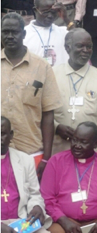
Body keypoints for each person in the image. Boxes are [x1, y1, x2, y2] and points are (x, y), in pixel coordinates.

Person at [41, 122, 97, 233]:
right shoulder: (56, 162)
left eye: (83, 142)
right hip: (65, 221)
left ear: (95, 144)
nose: (77, 145)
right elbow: (47, 198)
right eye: (74, 140)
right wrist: (63, 220)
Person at [1, 13, 61, 176]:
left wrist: (46, 158)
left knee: (32, 200)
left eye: (15, 32)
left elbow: (48, 115)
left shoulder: (42, 67)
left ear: (24, 34)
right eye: (5, 32)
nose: (10, 36)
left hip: (31, 152)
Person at [52, 29, 97, 155]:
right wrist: (56, 127)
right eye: (80, 46)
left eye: (89, 47)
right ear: (67, 48)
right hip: (59, 149)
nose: (85, 50)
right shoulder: (52, 75)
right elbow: (42, 113)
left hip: (92, 153)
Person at [1, 116, 51, 233]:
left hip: (23, 223)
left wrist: (36, 206)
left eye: (2, 134)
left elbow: (34, 194)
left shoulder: (25, 160)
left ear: (11, 135)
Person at [24, 0, 70, 67]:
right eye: (45, 12)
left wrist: (66, 18)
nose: (50, 16)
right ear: (35, 10)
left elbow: (80, 39)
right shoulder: (24, 34)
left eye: (53, 12)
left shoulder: (63, 32)